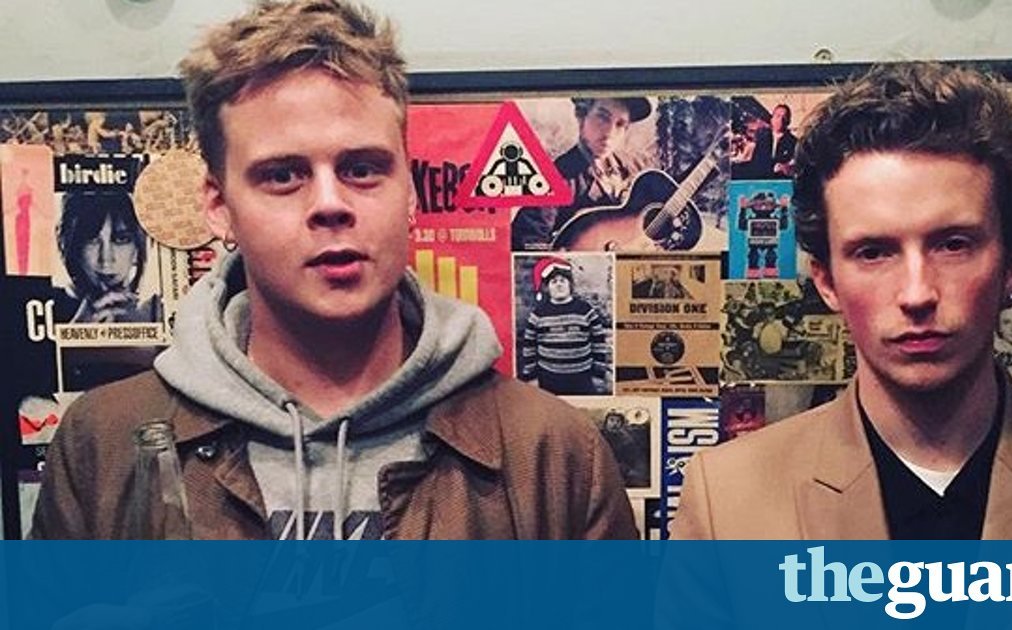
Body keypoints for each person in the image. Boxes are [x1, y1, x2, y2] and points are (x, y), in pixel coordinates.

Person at [31, 0, 636, 540]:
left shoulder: (553, 457)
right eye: (282, 175)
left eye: (362, 169)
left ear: (409, 194)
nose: (330, 204)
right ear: (219, 207)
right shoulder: (103, 447)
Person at [673, 62, 1012, 539]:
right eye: (873, 252)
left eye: (953, 245)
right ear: (827, 280)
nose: (917, 293)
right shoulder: (728, 502)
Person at [510, 96, 652, 250]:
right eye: (603, 117)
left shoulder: (630, 170)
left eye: (620, 124)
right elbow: (526, 242)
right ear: (581, 116)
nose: (610, 133)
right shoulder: (556, 176)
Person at [54, 191, 161, 324]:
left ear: (137, 247)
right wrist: (79, 328)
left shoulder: (159, 311)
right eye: (92, 240)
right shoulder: (49, 305)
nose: (106, 259)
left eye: (121, 239)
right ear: (70, 246)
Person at [519, 256, 611, 395]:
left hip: (582, 379)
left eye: (563, 280)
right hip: (548, 380)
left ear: (570, 285)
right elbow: (529, 347)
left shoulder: (585, 310)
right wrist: (531, 377)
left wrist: (598, 375)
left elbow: (598, 344)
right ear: (547, 288)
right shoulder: (539, 314)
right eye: (554, 282)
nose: (559, 285)